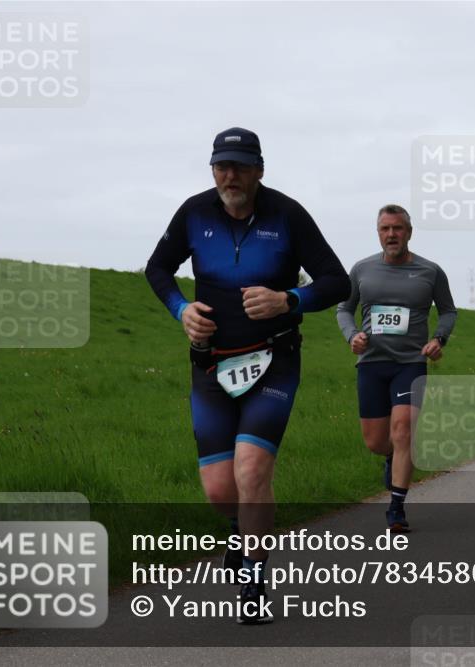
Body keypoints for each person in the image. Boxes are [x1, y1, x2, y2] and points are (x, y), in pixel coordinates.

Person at [145, 127, 351, 624]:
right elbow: (157, 269)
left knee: (252, 471)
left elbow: (336, 280)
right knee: (221, 492)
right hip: (211, 363)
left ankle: (254, 580)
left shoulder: (287, 215)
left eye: (239, 165)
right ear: (212, 169)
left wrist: (290, 299)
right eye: (221, 165)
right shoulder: (194, 213)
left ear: (260, 168)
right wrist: (180, 310)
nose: (230, 175)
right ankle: (241, 531)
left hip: (273, 359)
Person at [336, 205, 457, 532]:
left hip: (411, 363)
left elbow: (448, 312)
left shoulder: (430, 271)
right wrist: (352, 336)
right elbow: (344, 310)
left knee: (402, 430)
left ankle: (396, 507)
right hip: (372, 363)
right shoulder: (362, 270)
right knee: (377, 441)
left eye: (398, 228)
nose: (392, 234)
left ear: (409, 232)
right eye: (386, 229)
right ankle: (393, 457)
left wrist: (438, 339)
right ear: (378, 232)